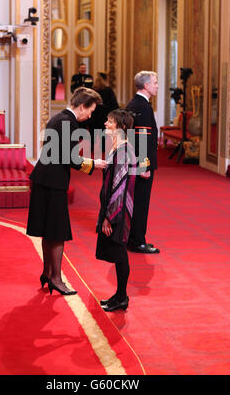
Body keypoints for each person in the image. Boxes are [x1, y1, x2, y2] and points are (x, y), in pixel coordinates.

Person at [27, 87, 106, 295]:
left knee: (48, 231)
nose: (90, 115)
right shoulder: (68, 123)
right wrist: (93, 163)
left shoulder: (59, 118)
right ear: (82, 106)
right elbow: (67, 157)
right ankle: (56, 278)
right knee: (57, 232)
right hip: (53, 182)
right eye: (90, 111)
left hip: (45, 179)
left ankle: (47, 273)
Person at [96, 109, 136, 312]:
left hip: (118, 211)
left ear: (121, 127)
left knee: (120, 253)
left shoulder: (123, 151)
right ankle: (120, 295)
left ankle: (122, 297)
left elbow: (119, 188)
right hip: (115, 208)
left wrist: (109, 218)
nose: (106, 124)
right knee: (118, 252)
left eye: (110, 122)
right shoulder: (118, 148)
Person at [126, 71, 160, 254]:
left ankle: (132, 237)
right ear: (146, 86)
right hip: (141, 164)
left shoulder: (133, 104)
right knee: (140, 202)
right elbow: (142, 140)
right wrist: (144, 166)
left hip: (133, 161)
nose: (157, 85)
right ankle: (137, 241)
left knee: (135, 201)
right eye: (155, 82)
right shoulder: (144, 107)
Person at [89, 72, 119, 152]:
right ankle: (104, 148)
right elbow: (114, 105)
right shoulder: (108, 90)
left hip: (94, 115)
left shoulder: (92, 91)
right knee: (105, 132)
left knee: (94, 132)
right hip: (105, 116)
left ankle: (93, 147)